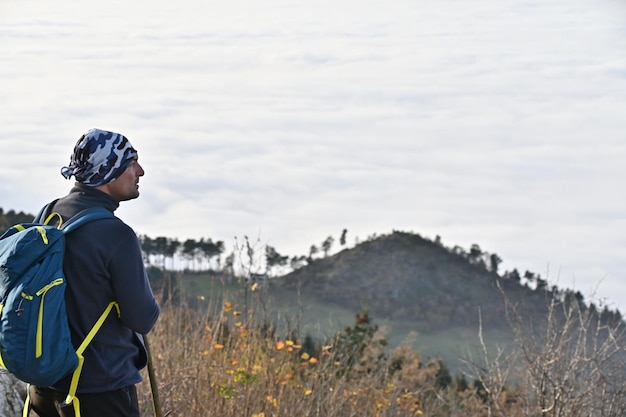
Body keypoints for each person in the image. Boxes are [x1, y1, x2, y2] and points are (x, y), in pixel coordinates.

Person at [26, 128, 161, 417]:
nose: (140, 171)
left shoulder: (48, 214)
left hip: (43, 386)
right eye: (131, 162)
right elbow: (142, 317)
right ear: (108, 170)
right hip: (99, 390)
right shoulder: (116, 235)